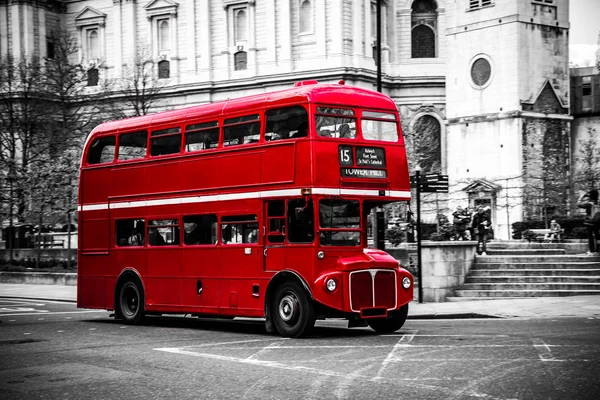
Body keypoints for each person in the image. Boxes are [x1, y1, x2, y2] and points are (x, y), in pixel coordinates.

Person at [577, 189, 600, 255]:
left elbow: (578, 204)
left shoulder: (589, 203)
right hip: (598, 222)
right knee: (598, 236)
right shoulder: (598, 203)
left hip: (590, 222)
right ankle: (598, 250)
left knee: (590, 236)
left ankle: (592, 250)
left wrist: (581, 197)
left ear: (590, 196)